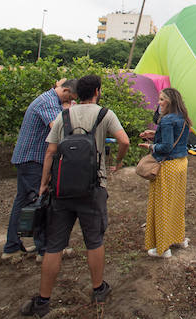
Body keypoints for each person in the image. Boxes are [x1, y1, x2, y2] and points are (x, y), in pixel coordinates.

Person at [20, 74, 129, 317]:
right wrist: (119, 161)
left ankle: (43, 301)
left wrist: (44, 184)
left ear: (77, 93)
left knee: (54, 245)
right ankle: (98, 289)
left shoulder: (64, 115)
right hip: (93, 187)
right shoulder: (105, 114)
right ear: (97, 91)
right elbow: (124, 141)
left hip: (62, 189)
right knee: (94, 240)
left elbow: (50, 152)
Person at [3, 78, 77, 262]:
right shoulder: (48, 103)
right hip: (33, 160)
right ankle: (45, 250)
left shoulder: (50, 100)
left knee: (23, 202)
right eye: (70, 98)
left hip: (28, 159)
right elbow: (59, 130)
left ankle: (12, 246)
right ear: (65, 91)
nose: (70, 101)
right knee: (42, 202)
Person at [139, 87, 191, 259]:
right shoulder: (182, 117)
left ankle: (163, 248)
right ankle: (178, 238)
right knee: (176, 203)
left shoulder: (167, 119)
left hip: (168, 166)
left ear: (169, 102)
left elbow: (167, 147)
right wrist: (155, 134)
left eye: (162, 99)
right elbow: (175, 139)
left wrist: (151, 146)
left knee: (162, 206)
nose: (159, 102)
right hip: (181, 163)